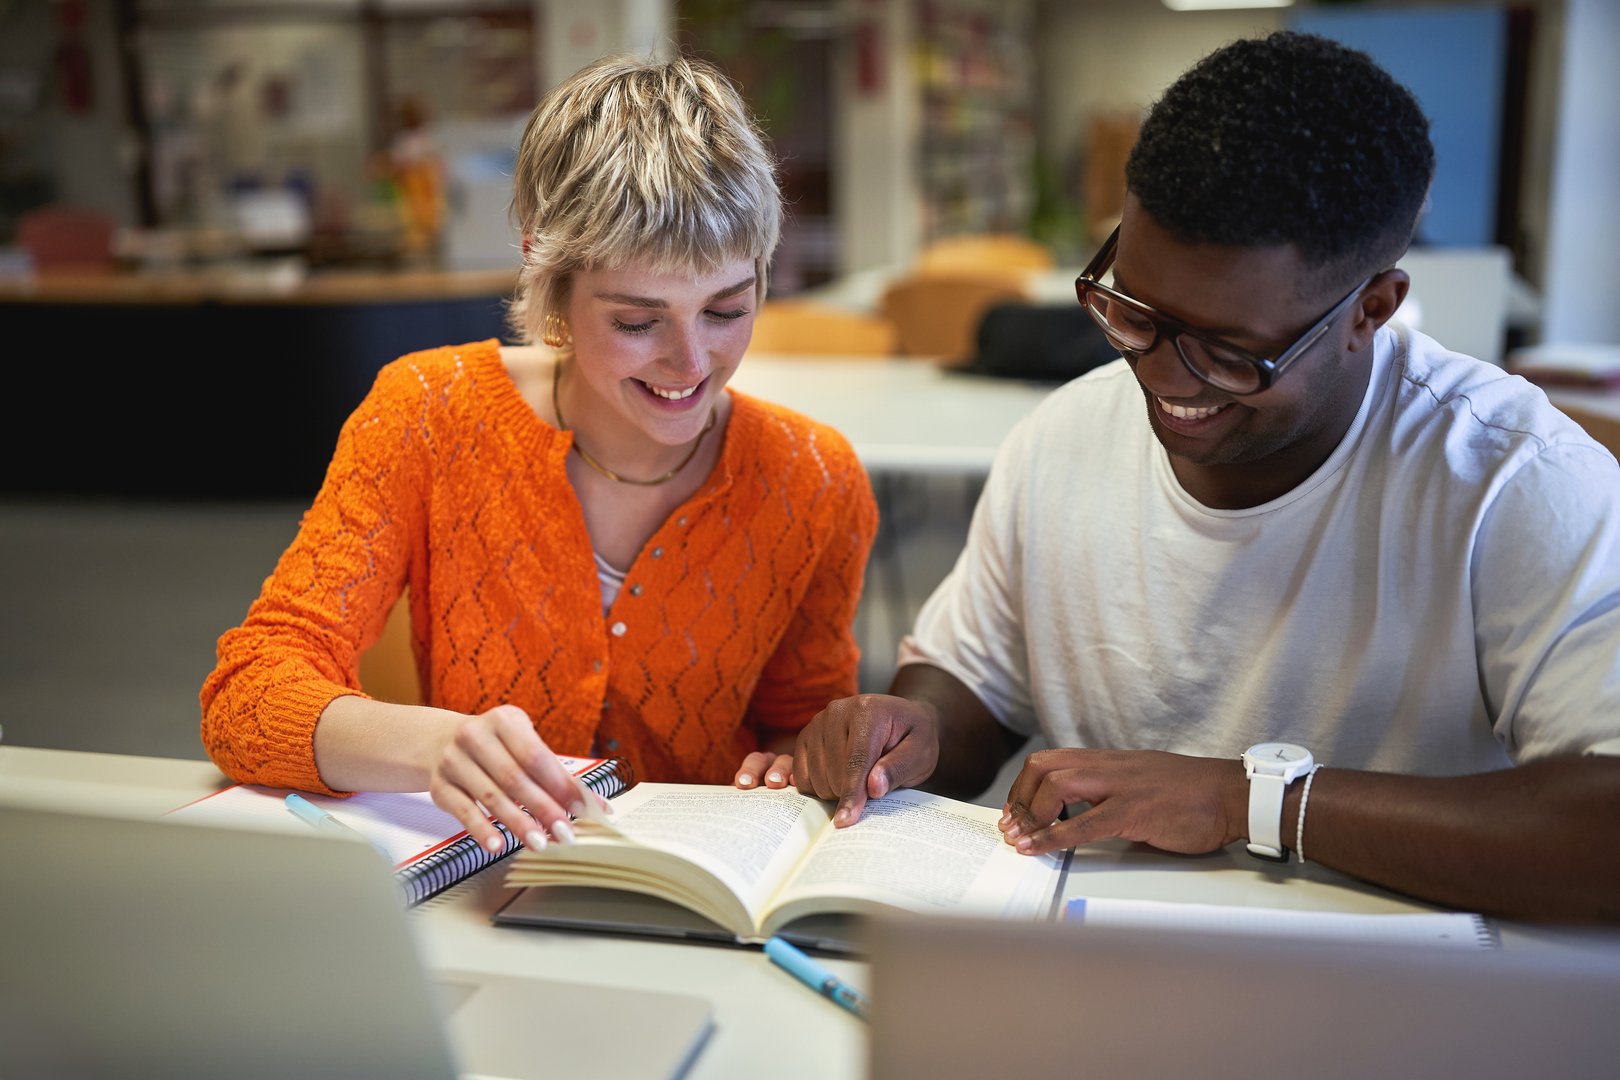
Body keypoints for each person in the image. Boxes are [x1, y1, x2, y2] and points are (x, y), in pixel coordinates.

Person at [790, 31, 1620, 922]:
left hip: (1394, 999)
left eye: (1228, 353)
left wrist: (1251, 802)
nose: (1164, 378)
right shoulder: (1064, 436)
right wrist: (913, 732)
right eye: (1135, 312)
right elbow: (973, 688)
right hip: (1097, 970)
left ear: (1370, 311)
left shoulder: (1512, 479)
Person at [201, 54, 876, 857]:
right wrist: (430, 746)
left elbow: (805, 722)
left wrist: (820, 756)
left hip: (700, 907)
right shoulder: (429, 412)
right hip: (480, 897)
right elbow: (246, 696)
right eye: (637, 322)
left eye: (727, 309)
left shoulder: (814, 476)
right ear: (547, 278)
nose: (692, 363)